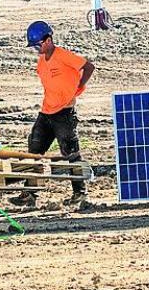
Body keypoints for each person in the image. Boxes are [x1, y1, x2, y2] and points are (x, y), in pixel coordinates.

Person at [20, 20, 94, 204]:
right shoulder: (41, 63)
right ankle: (29, 194)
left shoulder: (63, 56)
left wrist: (78, 87)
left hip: (64, 114)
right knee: (35, 151)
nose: (36, 49)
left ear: (48, 40)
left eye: (37, 45)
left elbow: (88, 67)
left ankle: (80, 193)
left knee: (71, 153)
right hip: (46, 113)